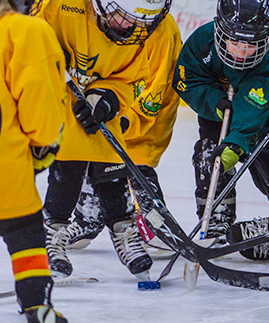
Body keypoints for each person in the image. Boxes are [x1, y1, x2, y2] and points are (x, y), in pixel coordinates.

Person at [36, 0, 174, 280]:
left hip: (92, 93)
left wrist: (107, 97)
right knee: (71, 151)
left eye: (135, 21)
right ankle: (54, 231)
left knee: (109, 151)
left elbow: (130, 77)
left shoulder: (139, 29)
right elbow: (21, 30)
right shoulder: (59, 6)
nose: (128, 27)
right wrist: (44, 49)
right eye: (121, 16)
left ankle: (123, 229)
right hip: (50, 90)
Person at [172, 0, 269, 241]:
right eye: (235, 42)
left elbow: (252, 112)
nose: (242, 53)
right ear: (221, 30)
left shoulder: (265, 65)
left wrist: (236, 144)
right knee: (208, 155)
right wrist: (214, 101)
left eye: (251, 45)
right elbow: (186, 79)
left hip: (260, 123)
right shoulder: (201, 43)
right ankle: (215, 219)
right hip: (216, 116)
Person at [62, 11, 182, 258]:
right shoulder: (113, 16)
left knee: (136, 167)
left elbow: (156, 86)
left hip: (146, 117)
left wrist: (129, 119)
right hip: (114, 103)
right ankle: (88, 219)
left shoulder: (160, 29)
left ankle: (156, 227)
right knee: (94, 157)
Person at [0, 0, 69, 321]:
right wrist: (44, 146)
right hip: (1, 165)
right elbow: (41, 111)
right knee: (24, 230)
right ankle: (35, 303)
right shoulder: (26, 31)